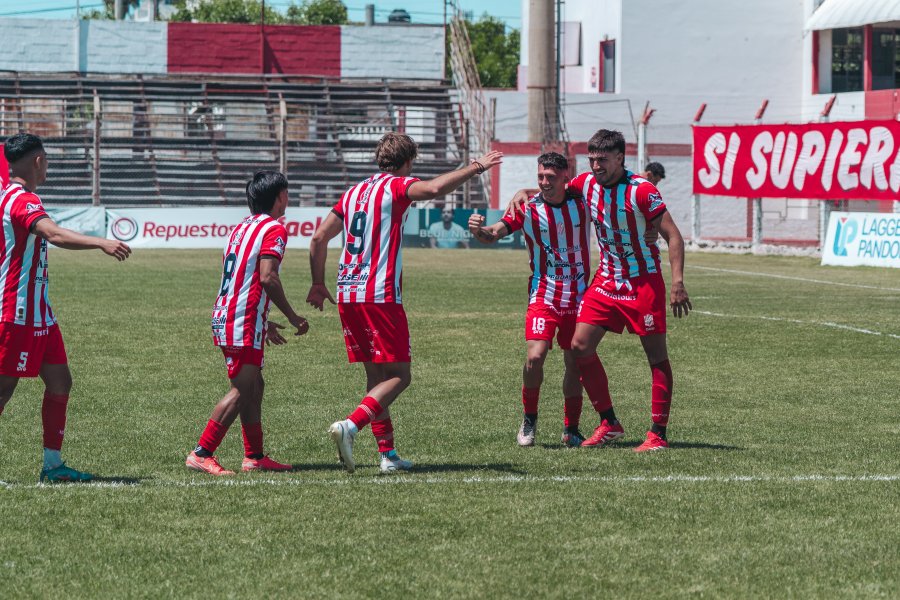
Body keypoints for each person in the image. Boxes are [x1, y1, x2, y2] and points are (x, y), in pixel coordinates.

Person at [307, 132, 501, 473]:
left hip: (348, 293)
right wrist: (476, 166)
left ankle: (388, 455)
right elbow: (433, 190)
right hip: (379, 295)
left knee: (376, 377)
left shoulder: (352, 193)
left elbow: (319, 237)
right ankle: (350, 426)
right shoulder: (395, 186)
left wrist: (319, 283)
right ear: (408, 162)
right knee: (400, 376)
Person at [511, 129, 691, 452]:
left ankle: (658, 434)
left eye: (603, 160)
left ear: (620, 158)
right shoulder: (587, 184)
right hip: (606, 281)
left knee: (656, 357)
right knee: (580, 347)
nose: (595, 166)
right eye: (592, 159)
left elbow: (673, 236)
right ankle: (609, 422)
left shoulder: (642, 191)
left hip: (643, 281)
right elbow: (556, 189)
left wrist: (677, 282)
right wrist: (523, 191)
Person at [0, 133, 131, 483]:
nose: (48, 166)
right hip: (18, 311)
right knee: (3, 390)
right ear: (37, 161)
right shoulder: (21, 200)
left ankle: (53, 466)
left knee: (60, 382)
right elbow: (53, 234)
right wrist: (100, 241)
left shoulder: (17, 197)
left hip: (39, 311)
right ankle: (52, 465)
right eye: (46, 159)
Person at [186, 171, 310, 476]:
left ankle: (254, 456)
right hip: (242, 319)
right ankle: (202, 452)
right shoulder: (274, 230)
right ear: (280, 197)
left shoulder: (240, 229)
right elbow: (267, 277)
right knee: (243, 389)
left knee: (254, 385)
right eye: (287, 193)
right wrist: (293, 316)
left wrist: (263, 322)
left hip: (229, 315)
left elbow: (242, 279)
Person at [468, 152, 590, 448]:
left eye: (550, 177)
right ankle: (529, 419)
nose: (544, 182)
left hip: (579, 294)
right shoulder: (527, 208)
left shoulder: (583, 202)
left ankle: (571, 428)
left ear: (565, 176)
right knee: (535, 357)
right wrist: (479, 231)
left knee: (574, 363)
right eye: (540, 177)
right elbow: (494, 233)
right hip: (543, 292)